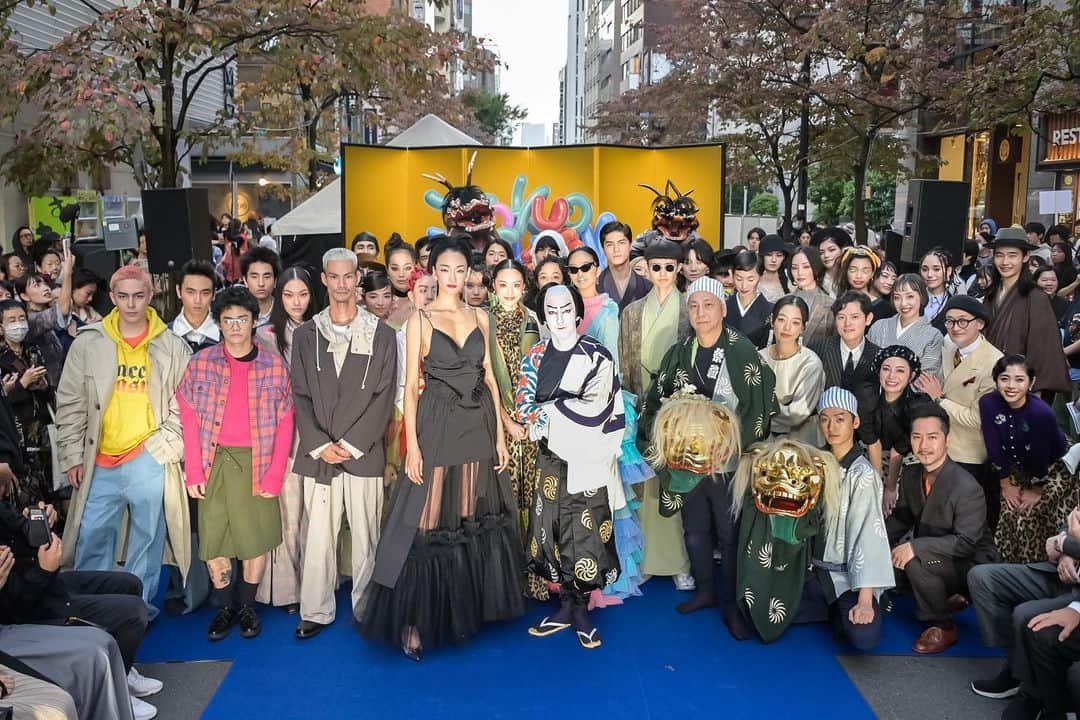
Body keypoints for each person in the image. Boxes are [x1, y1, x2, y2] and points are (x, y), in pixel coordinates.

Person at [361, 236, 522, 661]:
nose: (453, 278)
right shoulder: (419, 320)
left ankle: (460, 612)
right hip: (436, 425)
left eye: (460, 271)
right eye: (445, 270)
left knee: (468, 517)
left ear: (470, 273)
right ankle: (413, 620)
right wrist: (412, 447)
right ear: (433, 272)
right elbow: (409, 391)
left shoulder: (480, 316)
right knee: (426, 521)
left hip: (478, 423)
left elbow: (489, 376)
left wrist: (501, 436)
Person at [638, 276, 776, 627]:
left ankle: (731, 602)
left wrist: (728, 444)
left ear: (723, 309)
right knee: (695, 528)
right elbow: (658, 398)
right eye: (694, 306)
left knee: (728, 532)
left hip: (725, 461)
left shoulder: (740, 349)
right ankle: (705, 590)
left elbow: (758, 403)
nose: (701, 313)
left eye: (708, 305)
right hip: (687, 461)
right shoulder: (681, 351)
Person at [55, 265, 192, 617]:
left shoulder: (172, 345)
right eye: (123, 296)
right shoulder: (89, 342)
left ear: (151, 296)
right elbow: (70, 401)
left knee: (147, 539)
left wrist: (165, 447)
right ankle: (91, 609)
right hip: (98, 457)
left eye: (139, 295)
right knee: (92, 535)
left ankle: (137, 610)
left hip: (148, 453)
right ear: (112, 297)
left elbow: (185, 402)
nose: (131, 304)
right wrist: (72, 455)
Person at [177, 286, 294, 641]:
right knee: (215, 540)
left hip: (257, 461)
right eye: (227, 320)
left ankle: (247, 607)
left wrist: (275, 473)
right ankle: (225, 607)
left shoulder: (274, 366)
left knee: (254, 539)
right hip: (213, 461)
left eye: (242, 319)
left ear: (254, 321)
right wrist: (193, 470)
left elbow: (287, 420)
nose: (235, 326)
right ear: (219, 323)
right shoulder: (201, 363)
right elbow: (188, 416)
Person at [290, 249, 396, 640]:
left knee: (367, 534)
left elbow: (383, 396)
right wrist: (320, 444)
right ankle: (315, 610)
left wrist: (351, 444)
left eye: (347, 277)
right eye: (333, 277)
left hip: (362, 453)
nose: (340, 284)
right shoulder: (306, 335)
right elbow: (299, 395)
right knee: (318, 533)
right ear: (324, 280)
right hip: (320, 454)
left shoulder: (382, 334)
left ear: (357, 280)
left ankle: (366, 607)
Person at [516, 283, 624, 649]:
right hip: (550, 459)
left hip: (588, 457)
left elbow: (598, 409)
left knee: (587, 533)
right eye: (552, 310)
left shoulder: (598, 356)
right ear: (543, 316)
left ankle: (581, 610)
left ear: (578, 313)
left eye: (566, 310)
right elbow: (523, 408)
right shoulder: (534, 357)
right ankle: (564, 605)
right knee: (552, 529)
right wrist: (560, 408)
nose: (559, 317)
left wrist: (549, 411)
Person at [886, 403, 996, 654]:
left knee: (913, 562)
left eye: (932, 437)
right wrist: (874, 542)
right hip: (938, 553)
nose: (924, 445)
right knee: (891, 560)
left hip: (970, 561)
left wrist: (915, 546)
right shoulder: (912, 473)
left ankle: (944, 625)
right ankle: (943, 598)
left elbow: (967, 543)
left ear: (948, 439)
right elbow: (901, 518)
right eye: (917, 437)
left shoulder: (966, 485)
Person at [618, 240, 693, 591]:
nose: (662, 274)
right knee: (645, 483)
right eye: (655, 267)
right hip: (640, 402)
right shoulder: (632, 311)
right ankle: (646, 560)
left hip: (679, 406)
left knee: (677, 481)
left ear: (679, 269)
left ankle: (680, 562)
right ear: (645, 268)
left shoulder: (691, 308)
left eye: (669, 267)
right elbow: (624, 359)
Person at [249, 267, 319, 614]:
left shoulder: (322, 329)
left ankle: (315, 584)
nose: (296, 301)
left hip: (319, 431)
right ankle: (287, 590)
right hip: (281, 435)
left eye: (303, 294)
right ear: (279, 295)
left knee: (315, 517)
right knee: (288, 514)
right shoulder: (264, 336)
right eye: (289, 295)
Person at [967, 509, 1080, 711]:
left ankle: (1033, 689)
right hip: (1060, 571)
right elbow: (1069, 525)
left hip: (1076, 593)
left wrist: (1065, 545)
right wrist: (1064, 551)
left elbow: (1067, 539)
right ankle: (1018, 668)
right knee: (982, 578)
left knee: (1026, 615)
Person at [813, 387, 894, 649]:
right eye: (824, 418)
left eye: (840, 418)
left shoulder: (864, 474)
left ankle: (850, 605)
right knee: (758, 608)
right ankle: (828, 610)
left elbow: (868, 537)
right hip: (812, 572)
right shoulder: (813, 461)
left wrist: (865, 599)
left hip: (847, 578)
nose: (831, 426)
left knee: (864, 638)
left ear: (855, 421)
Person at [913, 296, 1003, 524]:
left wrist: (940, 399)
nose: (955, 328)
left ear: (980, 323)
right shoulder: (947, 344)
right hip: (938, 442)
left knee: (959, 518)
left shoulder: (993, 362)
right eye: (950, 321)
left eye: (962, 321)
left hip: (968, 452)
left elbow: (978, 418)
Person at [486, 259, 545, 600]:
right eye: (503, 284)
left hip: (530, 426)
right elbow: (484, 377)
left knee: (532, 498)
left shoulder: (533, 321)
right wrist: (507, 420)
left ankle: (532, 579)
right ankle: (503, 583)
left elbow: (540, 371)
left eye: (516, 285)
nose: (510, 292)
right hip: (497, 424)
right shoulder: (484, 321)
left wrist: (529, 416)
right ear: (494, 286)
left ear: (525, 287)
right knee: (502, 500)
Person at [980, 355, 1073, 564]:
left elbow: (1041, 455)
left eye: (1019, 379)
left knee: (1031, 511)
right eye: (1004, 378)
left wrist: (1036, 489)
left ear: (1031, 383)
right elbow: (993, 444)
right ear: (995, 380)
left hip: (1054, 465)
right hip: (1016, 464)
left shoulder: (1041, 413)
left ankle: (1041, 567)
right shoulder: (988, 403)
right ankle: (1007, 568)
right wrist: (1005, 483)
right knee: (1010, 509)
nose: (1011, 386)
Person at [982, 227, 1071, 398]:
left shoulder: (1036, 297)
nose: (1005, 261)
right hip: (987, 381)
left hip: (1019, 385)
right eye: (999, 255)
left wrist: (1031, 386)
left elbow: (1041, 347)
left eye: (1012, 255)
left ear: (1025, 257)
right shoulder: (991, 295)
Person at [810, 291, 882, 473]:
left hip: (864, 446)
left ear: (868, 319)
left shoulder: (880, 357)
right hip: (823, 441)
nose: (847, 324)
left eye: (855, 317)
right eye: (841, 317)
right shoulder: (818, 349)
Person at [0, 300, 56, 516]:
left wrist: (43, 387)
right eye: (12, 320)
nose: (19, 324)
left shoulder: (33, 352)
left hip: (39, 434)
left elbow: (49, 391)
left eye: (22, 318)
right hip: (14, 436)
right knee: (20, 498)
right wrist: (22, 385)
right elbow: (3, 401)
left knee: (46, 494)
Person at [872, 345, 931, 509]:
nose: (891, 376)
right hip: (873, 461)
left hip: (907, 466)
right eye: (886, 369)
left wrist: (890, 488)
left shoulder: (919, 403)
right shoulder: (869, 398)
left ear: (911, 375)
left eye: (900, 371)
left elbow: (899, 450)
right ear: (878, 371)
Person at [760, 296, 825, 444]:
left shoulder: (810, 363)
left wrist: (760, 415)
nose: (787, 328)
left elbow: (797, 414)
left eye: (795, 322)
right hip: (763, 438)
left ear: (803, 327)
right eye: (782, 320)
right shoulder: (759, 358)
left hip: (802, 439)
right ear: (772, 321)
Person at [868, 273, 944, 380]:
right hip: (873, 392)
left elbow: (927, 377)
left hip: (910, 395)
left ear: (922, 297)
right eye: (897, 297)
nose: (903, 303)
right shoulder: (878, 326)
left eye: (910, 296)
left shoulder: (934, 336)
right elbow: (865, 363)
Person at [568, 246, 619, 353]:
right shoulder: (565, 306)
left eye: (585, 267)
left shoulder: (608, 309)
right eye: (573, 269)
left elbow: (612, 355)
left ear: (598, 271)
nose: (580, 274)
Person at [598, 221, 651, 312]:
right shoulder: (595, 286)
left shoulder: (648, 287)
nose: (616, 249)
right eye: (610, 244)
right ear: (603, 249)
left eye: (621, 243)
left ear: (630, 245)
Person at [169, 259, 219, 354]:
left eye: (205, 293)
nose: (197, 300)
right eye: (191, 292)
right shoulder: (165, 335)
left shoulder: (227, 335)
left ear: (214, 294)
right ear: (178, 291)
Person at [788, 245, 835, 346]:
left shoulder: (830, 304)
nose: (799, 273)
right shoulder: (782, 301)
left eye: (806, 267)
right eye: (795, 268)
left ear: (815, 268)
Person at [725, 251, 773, 349]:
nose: (744, 285)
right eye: (739, 279)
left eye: (750, 280)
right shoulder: (723, 307)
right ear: (731, 274)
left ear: (761, 276)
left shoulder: (770, 311)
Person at [240, 246, 281, 328]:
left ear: (275, 280)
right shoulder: (237, 312)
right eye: (254, 277)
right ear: (245, 280)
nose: (261, 283)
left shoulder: (285, 310)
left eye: (267, 277)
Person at [920, 247, 958, 331]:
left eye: (936, 269)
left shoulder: (953, 304)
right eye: (924, 269)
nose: (929, 274)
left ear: (948, 271)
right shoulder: (914, 297)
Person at [814, 227, 853, 296]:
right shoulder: (815, 278)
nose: (826, 255)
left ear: (843, 249)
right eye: (821, 252)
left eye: (831, 250)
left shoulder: (852, 276)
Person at [757, 234, 789, 302]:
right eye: (769, 255)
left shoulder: (790, 282)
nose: (774, 260)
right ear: (762, 256)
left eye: (779, 255)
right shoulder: (752, 280)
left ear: (783, 258)